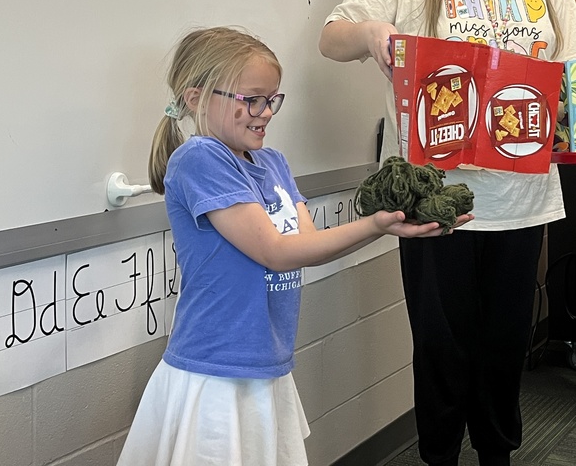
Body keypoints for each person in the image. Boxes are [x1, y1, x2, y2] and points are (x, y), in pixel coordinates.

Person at [318, 0, 576, 466]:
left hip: (520, 198)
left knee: (503, 347)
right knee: (441, 347)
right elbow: (330, 38)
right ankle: (439, 456)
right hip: (431, 198)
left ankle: (497, 454)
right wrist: (370, 34)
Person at [118, 26, 471, 466]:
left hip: (267, 364)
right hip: (215, 371)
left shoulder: (273, 163)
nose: (265, 112)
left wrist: (393, 221)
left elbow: (307, 244)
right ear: (196, 99)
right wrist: (377, 226)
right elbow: (274, 252)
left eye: (271, 100)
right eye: (251, 99)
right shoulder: (200, 160)